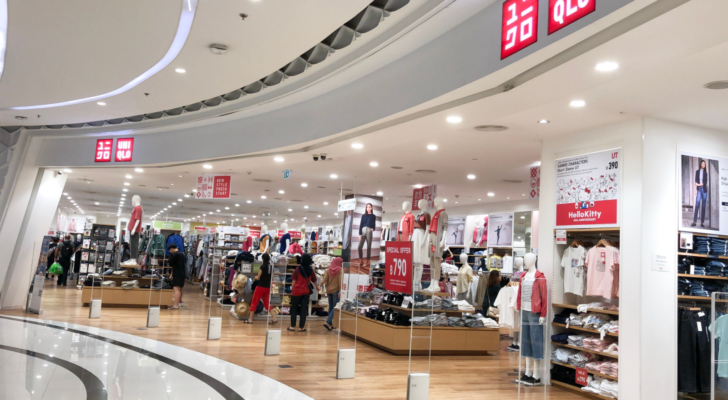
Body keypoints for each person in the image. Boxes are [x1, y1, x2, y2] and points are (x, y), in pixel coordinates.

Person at [245, 253, 278, 324]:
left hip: (260, 287)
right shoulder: (271, 267)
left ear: (263, 259)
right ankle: (274, 318)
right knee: (267, 303)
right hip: (268, 287)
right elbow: (272, 278)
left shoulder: (262, 266)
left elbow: (258, 277)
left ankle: (250, 319)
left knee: (254, 302)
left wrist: (255, 278)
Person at [289, 254, 318, 332]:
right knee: (303, 310)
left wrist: (292, 288)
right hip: (305, 292)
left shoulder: (298, 269)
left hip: (296, 292)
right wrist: (317, 287)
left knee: (294, 309)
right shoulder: (311, 270)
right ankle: (301, 327)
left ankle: (292, 326)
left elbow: (294, 280)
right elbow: (314, 280)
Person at [322, 257, 342, 330]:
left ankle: (330, 324)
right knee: (335, 307)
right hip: (336, 291)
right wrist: (341, 290)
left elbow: (324, 279)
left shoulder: (328, 269)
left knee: (330, 307)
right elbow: (340, 281)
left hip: (329, 291)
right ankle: (327, 322)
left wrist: (319, 285)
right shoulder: (339, 270)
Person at [168, 244, 186, 309]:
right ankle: (178, 303)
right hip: (182, 273)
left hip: (177, 273)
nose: (170, 252)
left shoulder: (176, 254)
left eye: (170, 250)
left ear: (171, 249)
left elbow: (170, 262)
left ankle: (175, 305)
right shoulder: (182, 253)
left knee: (176, 289)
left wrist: (170, 256)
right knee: (179, 289)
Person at [358, 203, 376, 267]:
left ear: (371, 208)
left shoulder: (373, 216)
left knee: (368, 247)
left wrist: (373, 229)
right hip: (363, 231)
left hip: (369, 230)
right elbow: (360, 225)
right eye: (367, 207)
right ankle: (361, 260)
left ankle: (368, 261)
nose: (368, 208)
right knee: (359, 247)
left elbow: (374, 225)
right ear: (366, 208)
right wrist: (360, 234)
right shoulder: (363, 216)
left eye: (369, 207)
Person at [692, 159, 709, 227]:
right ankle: (694, 222)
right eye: (703, 163)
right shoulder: (697, 172)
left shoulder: (706, 173)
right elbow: (696, 181)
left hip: (704, 190)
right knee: (697, 205)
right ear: (700, 164)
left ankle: (702, 223)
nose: (704, 165)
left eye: (704, 164)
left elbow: (704, 183)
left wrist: (698, 184)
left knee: (703, 206)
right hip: (699, 190)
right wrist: (695, 190)